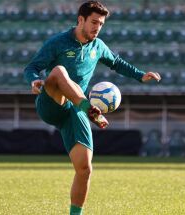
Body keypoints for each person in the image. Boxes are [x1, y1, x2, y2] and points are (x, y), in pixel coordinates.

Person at [24, 1, 161, 214]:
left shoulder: (98, 46)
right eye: (94, 22)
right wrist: (34, 80)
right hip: (52, 101)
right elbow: (32, 67)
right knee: (59, 71)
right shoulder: (58, 42)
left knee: (85, 169)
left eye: (101, 24)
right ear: (81, 20)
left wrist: (141, 75)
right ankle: (89, 109)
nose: (98, 27)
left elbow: (116, 62)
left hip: (74, 110)